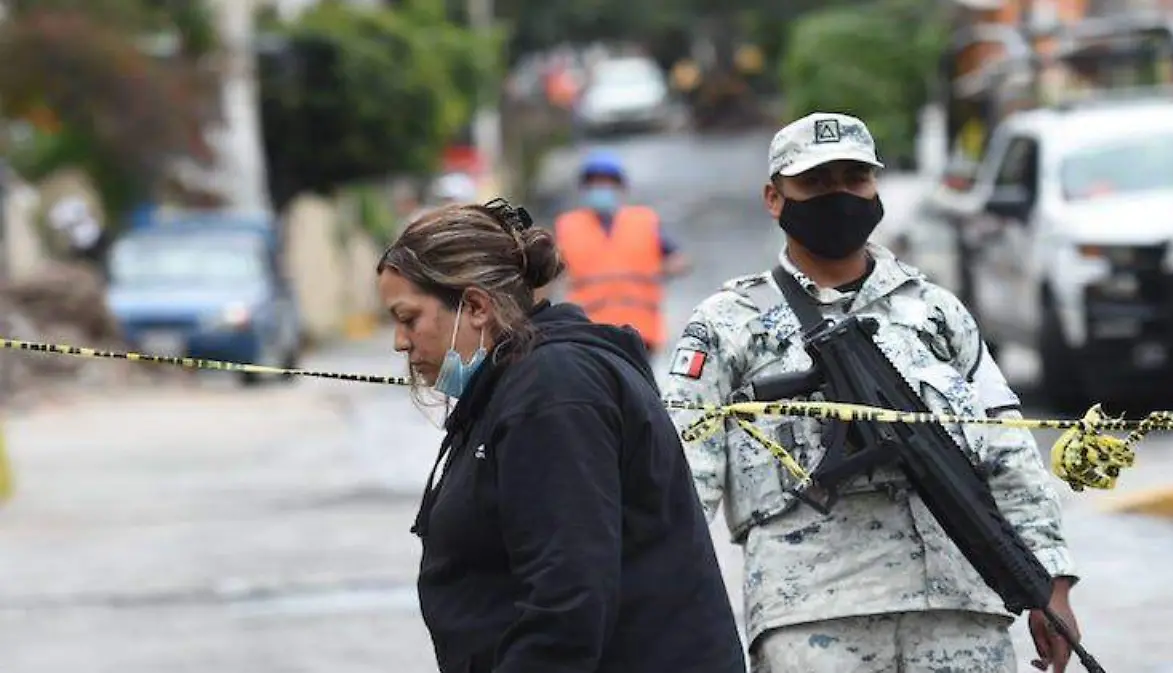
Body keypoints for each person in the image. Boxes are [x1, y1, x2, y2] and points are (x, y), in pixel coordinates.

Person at [661, 112, 1082, 673]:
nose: (839, 196)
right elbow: (680, 484)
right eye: (815, 182)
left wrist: (1052, 584)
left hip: (960, 606)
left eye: (854, 179)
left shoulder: (935, 312)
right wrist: (660, 613)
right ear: (774, 197)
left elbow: (1005, 447)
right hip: (812, 616)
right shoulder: (729, 324)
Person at [376, 198, 746, 673]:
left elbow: (566, 601)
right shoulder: (516, 386)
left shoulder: (554, 391)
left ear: (475, 306)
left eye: (409, 318)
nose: (400, 342)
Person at [552, 150, 691, 357]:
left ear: (620, 187)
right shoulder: (568, 226)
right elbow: (549, 271)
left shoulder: (644, 221)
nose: (601, 189)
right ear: (585, 188)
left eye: (607, 183)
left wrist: (660, 271)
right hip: (588, 332)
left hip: (640, 332)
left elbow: (680, 261)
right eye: (596, 183)